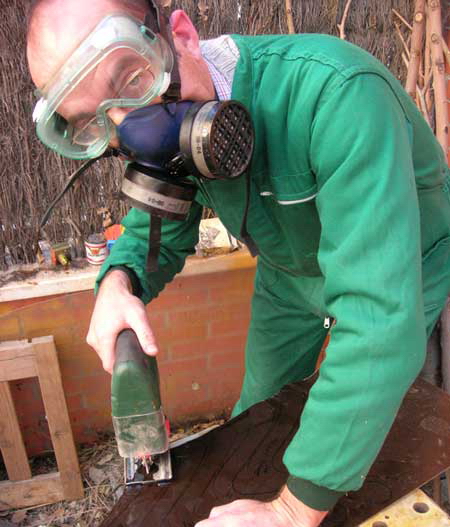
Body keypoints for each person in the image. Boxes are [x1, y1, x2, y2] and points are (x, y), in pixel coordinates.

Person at [27, 0, 450, 525]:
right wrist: (119, 280)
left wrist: (293, 511)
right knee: (256, 423)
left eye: (131, 79)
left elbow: (378, 320)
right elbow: (158, 232)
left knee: (398, 424)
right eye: (94, 120)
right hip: (288, 275)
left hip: (406, 263)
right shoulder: (180, 128)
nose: (133, 129)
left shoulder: (338, 94)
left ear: (181, 34)